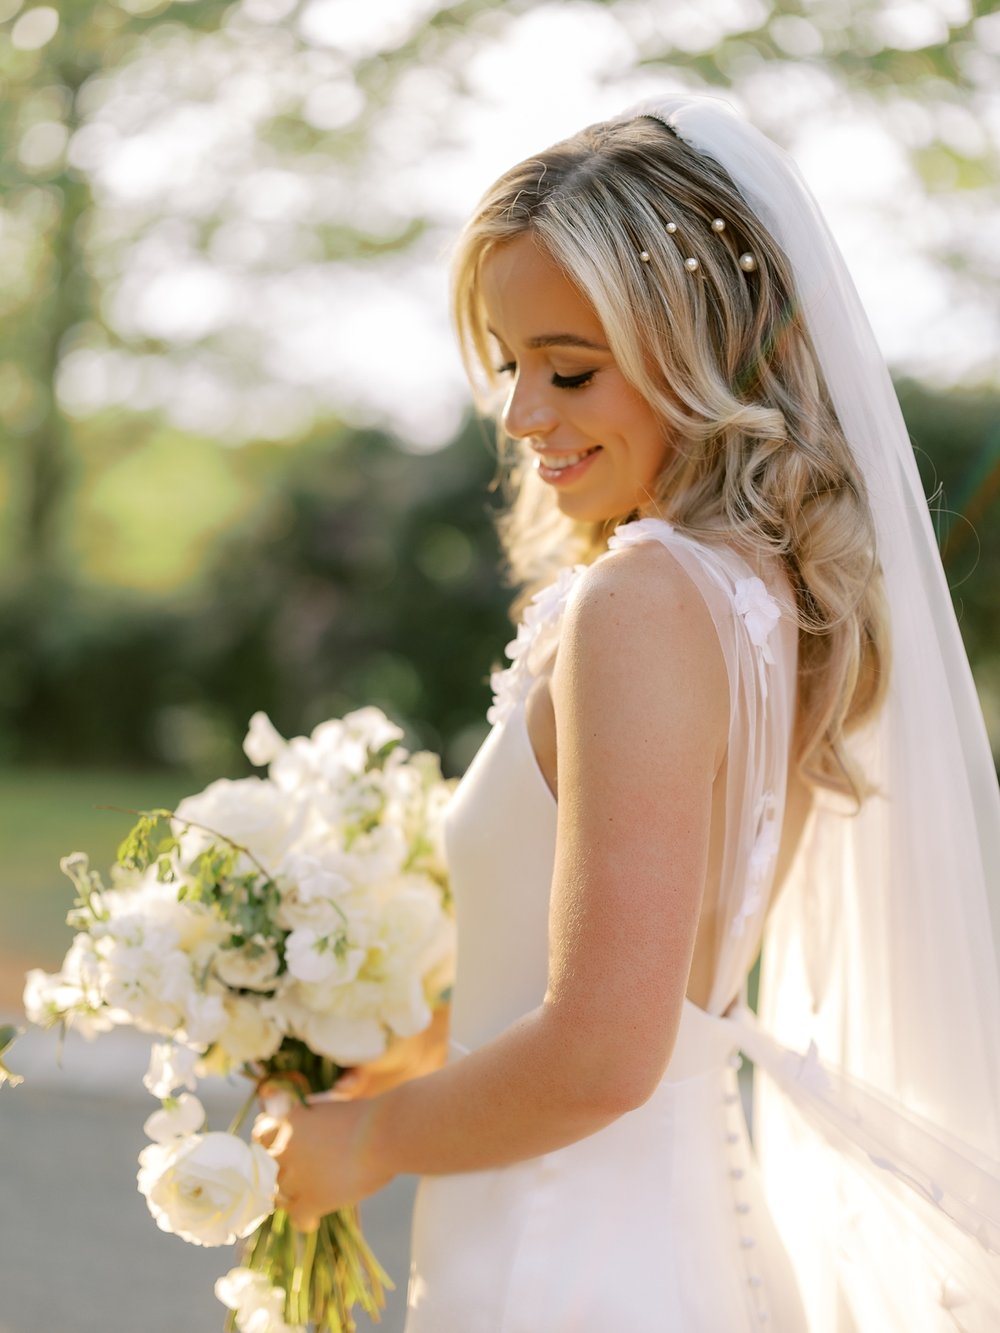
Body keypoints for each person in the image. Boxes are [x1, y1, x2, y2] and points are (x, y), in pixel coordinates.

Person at [253, 96, 1000, 1330]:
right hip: (675, 1238)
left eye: (569, 368)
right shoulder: (779, 595)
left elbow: (602, 1052)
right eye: (509, 365)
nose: (521, 415)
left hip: (567, 1263)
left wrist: (371, 1137)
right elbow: (668, 964)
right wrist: (422, 1042)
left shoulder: (641, 603)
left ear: (698, 349)